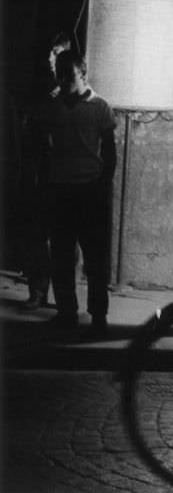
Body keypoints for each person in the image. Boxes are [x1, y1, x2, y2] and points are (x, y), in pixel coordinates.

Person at [33, 49, 117, 337]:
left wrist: (103, 183)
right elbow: (42, 145)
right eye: (60, 74)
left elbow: (110, 152)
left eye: (68, 74)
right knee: (62, 255)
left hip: (90, 190)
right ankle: (67, 311)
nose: (63, 80)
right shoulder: (53, 106)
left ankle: (98, 315)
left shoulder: (100, 107)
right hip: (61, 190)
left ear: (82, 74)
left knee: (95, 257)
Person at [20, 33, 70, 309]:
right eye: (50, 54)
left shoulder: (73, 94)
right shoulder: (42, 89)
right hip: (43, 170)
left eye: (57, 53)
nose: (50, 59)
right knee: (39, 233)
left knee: (64, 238)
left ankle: (64, 298)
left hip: (66, 171)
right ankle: (38, 292)